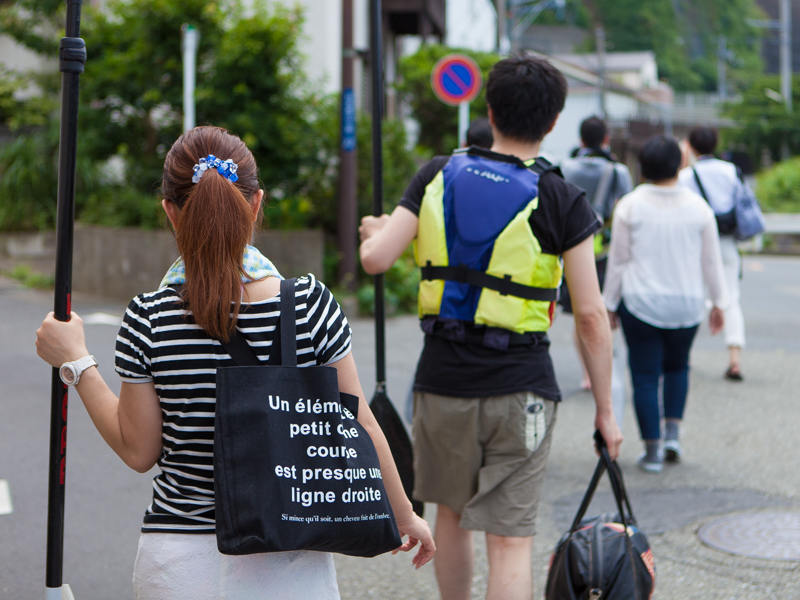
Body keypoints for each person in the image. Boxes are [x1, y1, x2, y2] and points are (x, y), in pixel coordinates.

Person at [35, 126, 434, 600]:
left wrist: (77, 362)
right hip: (288, 559)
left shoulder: (149, 317)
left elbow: (139, 451)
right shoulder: (309, 304)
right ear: (257, 203)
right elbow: (358, 420)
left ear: (169, 212)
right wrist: (404, 514)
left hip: (178, 565)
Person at [359, 55, 622, 600]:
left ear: (489, 108)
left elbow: (377, 260)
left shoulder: (436, 174)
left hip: (442, 380)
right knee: (509, 540)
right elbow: (592, 317)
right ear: (553, 122)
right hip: (522, 387)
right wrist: (605, 410)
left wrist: (373, 232)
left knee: (450, 518)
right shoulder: (562, 198)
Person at [603, 135, 728, 473]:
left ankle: (653, 449)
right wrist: (719, 302)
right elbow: (712, 262)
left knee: (644, 376)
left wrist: (609, 304)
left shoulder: (629, 205)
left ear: (642, 166)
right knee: (678, 367)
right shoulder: (699, 207)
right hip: (687, 304)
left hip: (641, 302)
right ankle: (673, 434)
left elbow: (618, 262)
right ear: (680, 165)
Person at [560, 116, 633, 394]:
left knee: (581, 314)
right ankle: (602, 367)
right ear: (606, 139)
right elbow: (625, 211)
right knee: (602, 312)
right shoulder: (618, 171)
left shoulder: (565, 167)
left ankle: (586, 373)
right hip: (606, 252)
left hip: (570, 252)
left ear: (580, 140)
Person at [678, 126, 749, 381]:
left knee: (694, 297)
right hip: (727, 242)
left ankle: (685, 356)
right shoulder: (731, 171)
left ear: (692, 146)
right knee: (730, 297)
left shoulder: (687, 176)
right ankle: (734, 359)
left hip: (697, 245)